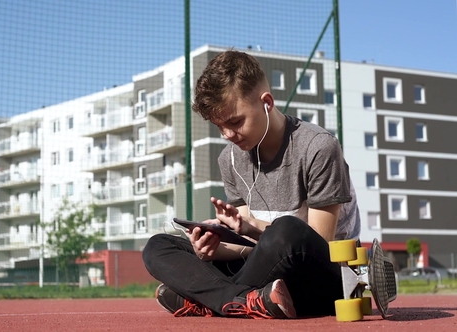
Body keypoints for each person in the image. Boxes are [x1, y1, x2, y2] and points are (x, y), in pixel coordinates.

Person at [142, 49, 361, 319]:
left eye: (234, 122)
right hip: (267, 276)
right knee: (158, 246)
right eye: (219, 126)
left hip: (323, 278)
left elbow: (316, 245)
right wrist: (212, 249)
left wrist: (253, 228)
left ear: (266, 102)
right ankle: (241, 301)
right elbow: (246, 246)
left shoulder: (318, 147)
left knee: (286, 231)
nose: (227, 135)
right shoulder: (230, 160)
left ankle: (210, 298)